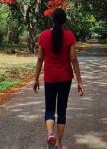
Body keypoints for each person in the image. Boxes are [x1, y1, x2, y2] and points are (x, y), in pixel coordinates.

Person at [33, 8, 84, 149]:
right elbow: (73, 59)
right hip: (65, 78)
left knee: (49, 108)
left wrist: (36, 78)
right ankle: (58, 143)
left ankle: (50, 134)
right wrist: (79, 81)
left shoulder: (43, 35)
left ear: (52, 19)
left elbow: (40, 58)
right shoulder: (70, 36)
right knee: (62, 110)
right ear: (64, 20)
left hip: (49, 78)